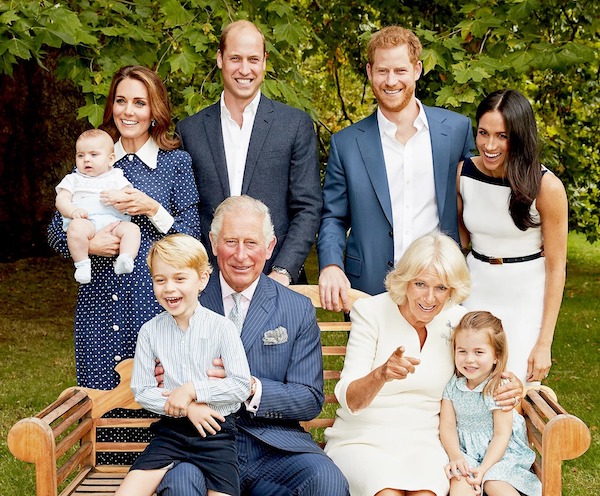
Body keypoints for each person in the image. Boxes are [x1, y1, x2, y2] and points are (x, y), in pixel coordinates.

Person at [157, 195, 349, 496]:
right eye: (231, 242)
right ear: (213, 242)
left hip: (274, 445)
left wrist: (250, 388)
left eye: (252, 243)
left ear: (270, 246)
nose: (241, 255)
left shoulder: (295, 309)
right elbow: (159, 377)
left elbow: (309, 399)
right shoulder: (182, 301)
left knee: (327, 481)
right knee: (181, 484)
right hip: (200, 444)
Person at [323, 232, 522, 496]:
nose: (430, 298)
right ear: (405, 280)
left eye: (441, 288)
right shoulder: (371, 312)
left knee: (426, 493)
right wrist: (381, 374)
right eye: (420, 284)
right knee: (387, 493)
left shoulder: (456, 320)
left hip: (426, 441)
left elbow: (482, 366)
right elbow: (351, 401)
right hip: (363, 438)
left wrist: (512, 383)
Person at [47, 65, 201, 392]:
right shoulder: (93, 157)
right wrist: (88, 246)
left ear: (155, 111)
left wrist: (154, 209)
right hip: (98, 300)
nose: (128, 111)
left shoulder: (175, 163)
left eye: (139, 103)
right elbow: (53, 231)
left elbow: (192, 238)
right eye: (120, 101)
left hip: (154, 301)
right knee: (101, 399)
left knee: (159, 399)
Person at [318, 25, 475, 311]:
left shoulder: (455, 131)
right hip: (368, 288)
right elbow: (333, 217)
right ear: (369, 71)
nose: (391, 81)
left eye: (400, 70)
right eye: (382, 71)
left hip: (441, 287)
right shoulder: (346, 143)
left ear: (417, 69)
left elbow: (477, 198)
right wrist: (330, 264)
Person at [176, 19, 321, 286]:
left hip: (276, 280)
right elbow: (187, 211)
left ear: (264, 61)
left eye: (253, 59)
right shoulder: (189, 131)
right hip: (209, 284)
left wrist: (283, 271)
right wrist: (199, 271)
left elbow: (307, 208)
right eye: (235, 58)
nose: (245, 69)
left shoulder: (294, 125)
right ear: (220, 59)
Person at [116, 234, 251, 496]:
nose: (169, 288)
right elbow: (142, 390)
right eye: (160, 280)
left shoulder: (222, 328)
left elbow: (240, 386)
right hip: (171, 434)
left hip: (217, 433)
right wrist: (187, 408)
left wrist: (192, 390)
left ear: (201, 279)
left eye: (180, 279)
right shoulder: (150, 332)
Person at [457, 89, 568, 384]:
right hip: (475, 290)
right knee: (468, 385)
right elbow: (460, 241)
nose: (489, 145)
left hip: (525, 296)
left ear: (518, 137)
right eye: (483, 133)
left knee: (512, 390)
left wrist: (544, 343)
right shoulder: (463, 174)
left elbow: (557, 268)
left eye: (502, 136)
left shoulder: (547, 187)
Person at [440, 311, 541, 496]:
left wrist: (484, 469)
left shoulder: (499, 388)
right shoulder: (453, 386)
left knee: (494, 483)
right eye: (462, 351)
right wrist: (456, 457)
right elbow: (447, 426)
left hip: (500, 455)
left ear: (496, 356)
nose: (469, 359)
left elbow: (501, 435)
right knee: (460, 486)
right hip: (466, 452)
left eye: (479, 352)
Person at [55, 129, 141, 284]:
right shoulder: (73, 179)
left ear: (110, 159)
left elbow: (130, 196)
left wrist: (120, 196)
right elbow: (61, 200)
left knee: (132, 230)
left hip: (114, 223)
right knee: (76, 229)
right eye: (81, 155)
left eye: (94, 155)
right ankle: (82, 264)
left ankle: (125, 258)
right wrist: (73, 211)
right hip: (86, 222)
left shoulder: (117, 177)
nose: (86, 160)